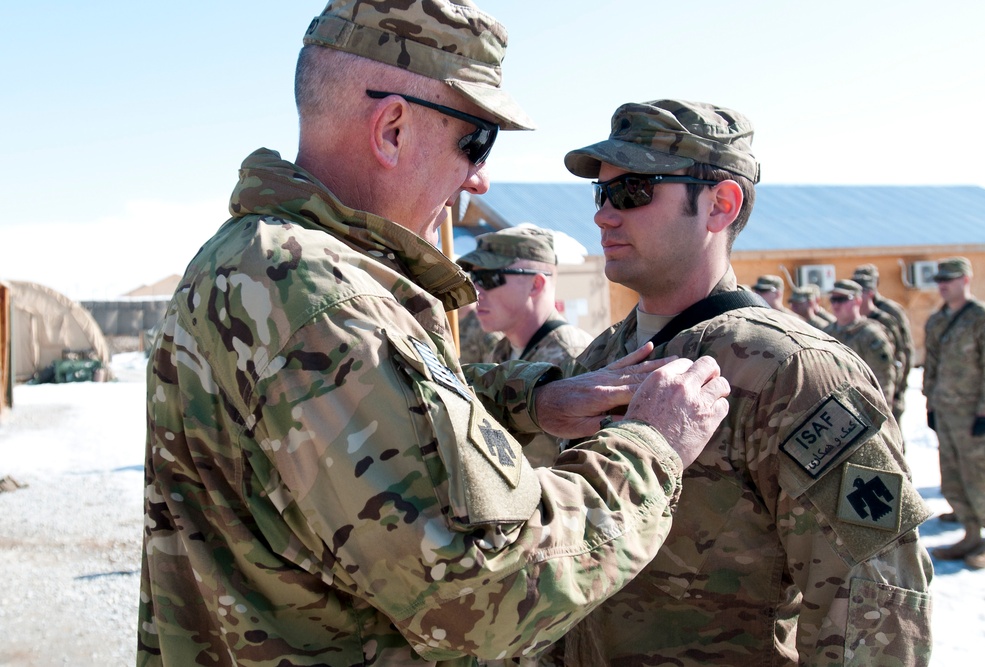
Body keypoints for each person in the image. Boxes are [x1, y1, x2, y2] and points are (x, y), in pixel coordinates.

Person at [135, 4, 735, 665]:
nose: (478, 178)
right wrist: (650, 449)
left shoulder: (256, 262)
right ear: (391, 128)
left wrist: (531, 399)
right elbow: (487, 595)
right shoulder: (326, 300)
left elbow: (380, 405)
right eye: (475, 141)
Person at [559, 98, 933, 665]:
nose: (604, 215)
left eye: (633, 190)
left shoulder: (794, 371)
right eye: (601, 193)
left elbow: (874, 600)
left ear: (720, 204)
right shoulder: (602, 358)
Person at [458, 225, 594, 467]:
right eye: (474, 279)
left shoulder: (575, 359)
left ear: (536, 285)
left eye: (489, 278)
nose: (476, 292)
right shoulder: (501, 352)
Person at [923, 257, 985, 569]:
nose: (943, 285)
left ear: (965, 280)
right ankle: (970, 532)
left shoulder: (983, 319)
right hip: (946, 413)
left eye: (950, 279)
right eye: (940, 280)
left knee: (983, 477)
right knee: (953, 477)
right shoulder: (937, 320)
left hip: (973, 416)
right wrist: (930, 404)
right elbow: (931, 366)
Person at [853, 264, 913, 425]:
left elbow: (904, 350)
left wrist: (899, 387)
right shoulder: (852, 309)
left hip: (889, 385)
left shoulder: (889, 312)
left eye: (866, 282)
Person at [823, 279, 898, 407]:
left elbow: (883, 378)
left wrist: (881, 411)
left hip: (865, 407)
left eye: (842, 299)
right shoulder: (826, 333)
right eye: (833, 299)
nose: (836, 304)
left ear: (857, 300)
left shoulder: (870, 334)